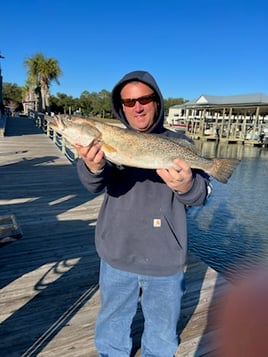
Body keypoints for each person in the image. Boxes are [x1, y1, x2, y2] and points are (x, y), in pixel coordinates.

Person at [76, 70, 211, 357]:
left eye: (144, 99)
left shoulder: (179, 142)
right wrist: (93, 166)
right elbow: (92, 185)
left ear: (157, 101)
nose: (137, 107)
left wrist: (187, 185)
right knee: (112, 328)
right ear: (121, 106)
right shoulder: (107, 141)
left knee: (162, 337)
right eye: (128, 102)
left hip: (165, 256)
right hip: (117, 252)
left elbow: (201, 195)